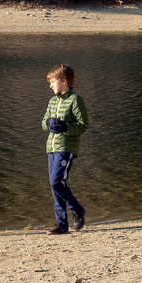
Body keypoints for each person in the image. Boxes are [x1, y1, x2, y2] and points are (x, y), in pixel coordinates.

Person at [42, 64, 89, 234]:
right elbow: (44, 123)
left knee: (57, 182)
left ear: (64, 81)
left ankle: (77, 210)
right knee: (55, 186)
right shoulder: (53, 101)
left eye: (53, 82)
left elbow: (83, 125)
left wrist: (65, 127)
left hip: (66, 147)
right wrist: (49, 124)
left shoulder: (75, 100)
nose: (50, 85)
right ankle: (61, 225)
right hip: (51, 148)